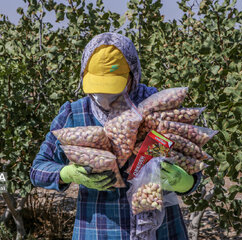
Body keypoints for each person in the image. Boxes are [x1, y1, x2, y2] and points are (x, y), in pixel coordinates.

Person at [30, 32, 202, 240]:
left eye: (113, 88)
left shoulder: (158, 107)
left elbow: (193, 169)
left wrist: (181, 180)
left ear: (133, 76)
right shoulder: (74, 114)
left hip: (160, 230)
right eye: (97, 88)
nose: (104, 98)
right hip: (99, 230)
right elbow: (38, 169)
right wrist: (69, 173)